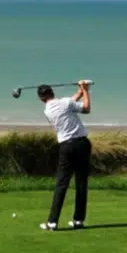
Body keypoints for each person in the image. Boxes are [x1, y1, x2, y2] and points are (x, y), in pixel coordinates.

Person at [37, 80, 92, 231]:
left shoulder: (48, 110)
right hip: (82, 144)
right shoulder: (65, 103)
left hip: (66, 147)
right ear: (52, 92)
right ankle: (78, 220)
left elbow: (71, 101)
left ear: (41, 99)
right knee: (81, 183)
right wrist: (86, 90)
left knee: (62, 183)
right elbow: (86, 109)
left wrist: (81, 90)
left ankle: (52, 222)